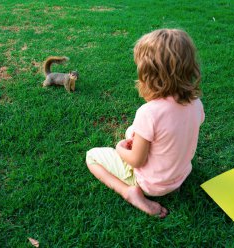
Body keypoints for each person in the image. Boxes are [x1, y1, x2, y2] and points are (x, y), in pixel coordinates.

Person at [86, 29, 205, 218]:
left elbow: (136, 160)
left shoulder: (149, 113)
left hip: (151, 184)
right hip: (180, 175)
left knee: (92, 156)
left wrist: (119, 149)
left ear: (149, 75)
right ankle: (169, 183)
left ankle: (129, 193)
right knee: (132, 131)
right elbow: (178, 132)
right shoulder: (196, 103)